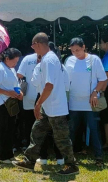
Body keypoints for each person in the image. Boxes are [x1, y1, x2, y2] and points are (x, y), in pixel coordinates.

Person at [13, 33, 79, 176]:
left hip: (55, 106)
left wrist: (38, 104)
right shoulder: (46, 60)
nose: (32, 48)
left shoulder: (49, 60)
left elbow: (49, 85)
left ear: (38, 43)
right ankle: (29, 161)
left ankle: (71, 165)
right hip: (48, 106)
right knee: (36, 132)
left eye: (32, 44)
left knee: (61, 138)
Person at [65, 38, 108, 168]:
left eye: (77, 50)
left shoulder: (94, 60)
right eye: (72, 51)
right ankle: (69, 157)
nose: (75, 53)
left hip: (91, 102)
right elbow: (66, 80)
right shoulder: (69, 61)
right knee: (72, 130)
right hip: (74, 101)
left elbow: (103, 79)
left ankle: (99, 157)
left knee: (94, 129)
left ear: (84, 47)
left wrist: (95, 92)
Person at [0, 48, 23, 164]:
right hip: (1, 103)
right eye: (15, 61)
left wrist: (19, 92)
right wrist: (8, 93)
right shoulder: (0, 69)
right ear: (7, 59)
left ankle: (9, 154)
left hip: (11, 103)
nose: (15, 64)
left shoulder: (11, 69)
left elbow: (15, 84)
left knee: (10, 129)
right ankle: (1, 156)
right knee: (2, 129)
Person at [17, 52, 38, 149]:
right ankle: (39, 145)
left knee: (28, 121)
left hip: (28, 94)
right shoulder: (49, 57)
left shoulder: (27, 58)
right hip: (43, 95)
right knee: (42, 121)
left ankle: (28, 144)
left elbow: (20, 74)